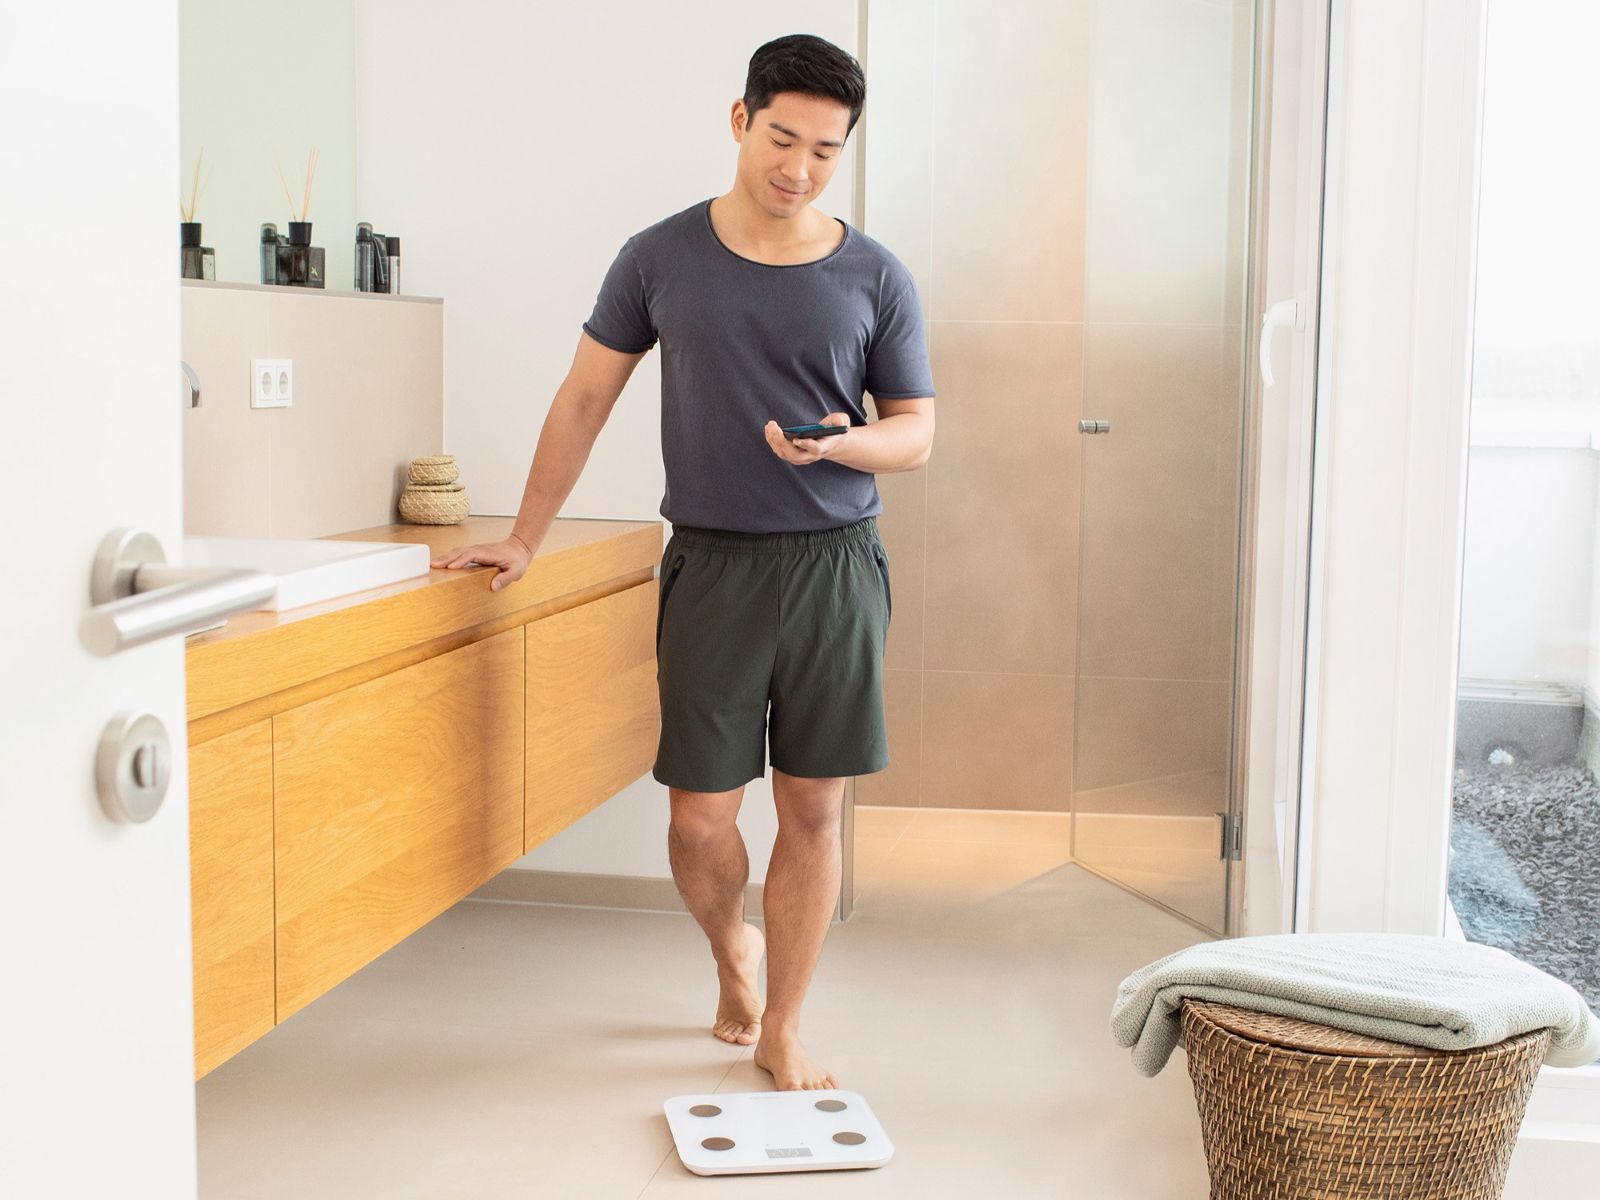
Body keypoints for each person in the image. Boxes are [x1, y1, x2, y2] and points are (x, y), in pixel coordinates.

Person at [432, 33, 935, 1092]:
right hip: (712, 567)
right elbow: (584, 398)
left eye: (826, 151)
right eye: (782, 138)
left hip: (835, 568)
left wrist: (841, 445)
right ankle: (730, 949)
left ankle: (784, 1026)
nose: (799, 168)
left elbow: (915, 433)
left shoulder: (875, 274)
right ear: (740, 119)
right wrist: (524, 535)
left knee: (812, 811)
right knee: (700, 820)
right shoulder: (659, 257)